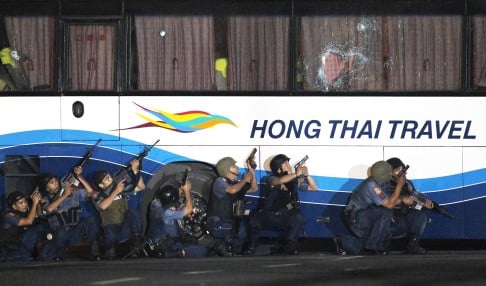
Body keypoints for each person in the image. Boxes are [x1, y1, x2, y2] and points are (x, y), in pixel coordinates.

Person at [248, 154, 318, 255]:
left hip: (285, 216)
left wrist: (306, 175)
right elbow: (279, 181)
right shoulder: (270, 179)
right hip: (269, 216)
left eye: (287, 162)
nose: (288, 165)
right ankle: (251, 247)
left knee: (298, 218)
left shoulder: (294, 181)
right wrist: (296, 174)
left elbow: (314, 187)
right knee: (254, 219)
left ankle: (290, 246)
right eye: (285, 164)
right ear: (279, 169)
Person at [341, 160, 407, 255]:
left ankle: (345, 242)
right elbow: (389, 204)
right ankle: (373, 245)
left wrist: (403, 199)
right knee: (386, 212)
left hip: (363, 216)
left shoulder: (378, 182)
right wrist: (399, 185)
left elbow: (388, 201)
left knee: (393, 228)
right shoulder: (372, 185)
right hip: (355, 218)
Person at [38, 166, 101, 261]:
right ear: (47, 188)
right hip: (59, 233)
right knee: (44, 255)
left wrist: (79, 176)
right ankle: (60, 252)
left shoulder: (71, 192)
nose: (55, 183)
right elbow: (49, 209)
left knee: (91, 220)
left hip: (75, 229)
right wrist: (65, 195)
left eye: (55, 180)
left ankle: (94, 252)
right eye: (51, 182)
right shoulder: (46, 199)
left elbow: (90, 192)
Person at [92, 159, 145, 259]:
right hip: (111, 229)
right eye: (106, 179)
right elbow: (102, 206)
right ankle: (110, 250)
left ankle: (136, 244)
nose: (110, 179)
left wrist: (135, 171)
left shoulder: (121, 190)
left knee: (134, 212)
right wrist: (116, 192)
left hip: (124, 227)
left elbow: (141, 187)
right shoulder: (98, 196)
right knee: (109, 232)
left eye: (110, 176)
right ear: (101, 185)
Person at [206, 156, 257, 254]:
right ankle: (217, 244)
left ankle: (228, 247)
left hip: (230, 222)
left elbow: (254, 189)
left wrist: (251, 172)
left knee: (246, 228)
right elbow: (232, 190)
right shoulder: (220, 181)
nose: (237, 167)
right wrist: (245, 180)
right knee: (240, 230)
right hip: (218, 223)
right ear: (226, 169)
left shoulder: (236, 184)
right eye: (233, 165)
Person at [383, 157, 433, 254]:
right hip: (385, 223)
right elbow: (384, 202)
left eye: (402, 170)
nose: (402, 173)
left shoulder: (408, 184)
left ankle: (412, 245)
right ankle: (380, 244)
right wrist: (402, 199)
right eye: (397, 170)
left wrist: (424, 203)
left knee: (420, 215)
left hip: (401, 221)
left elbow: (415, 198)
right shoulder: (383, 184)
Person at [0, 190, 46, 261]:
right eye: (21, 203)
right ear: (14, 206)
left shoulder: (21, 213)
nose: (25, 204)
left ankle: (40, 254)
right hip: (5, 248)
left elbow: (38, 215)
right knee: (33, 231)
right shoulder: (8, 215)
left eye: (25, 201)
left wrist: (38, 202)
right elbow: (29, 221)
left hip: (15, 245)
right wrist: (34, 203)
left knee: (40, 226)